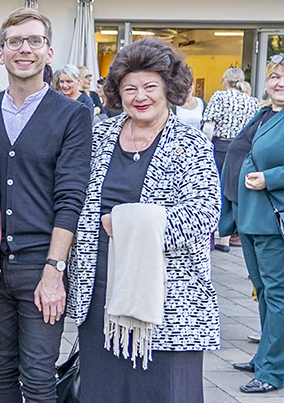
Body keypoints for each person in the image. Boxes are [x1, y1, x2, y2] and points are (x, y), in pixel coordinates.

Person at [67, 38, 221, 403]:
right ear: (118, 92)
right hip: (101, 294)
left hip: (167, 299)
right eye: (130, 87)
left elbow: (202, 214)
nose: (141, 96)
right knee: (102, 392)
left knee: (163, 393)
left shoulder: (191, 143)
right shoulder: (100, 136)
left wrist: (122, 224)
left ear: (169, 87)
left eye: (150, 86)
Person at [0, 8, 92, 402]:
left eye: (34, 41)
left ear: (49, 51)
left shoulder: (72, 114)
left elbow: (71, 197)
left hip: (40, 267)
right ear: (2, 52)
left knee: (39, 378)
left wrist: (55, 271)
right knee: (0, 372)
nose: (25, 49)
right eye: (15, 41)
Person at [221, 54, 284, 394]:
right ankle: (266, 356)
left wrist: (271, 178)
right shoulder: (263, 114)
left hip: (274, 221)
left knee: (277, 295)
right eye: (275, 76)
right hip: (250, 218)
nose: (279, 82)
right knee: (263, 293)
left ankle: (273, 370)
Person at [203, 67, 260, 252]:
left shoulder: (219, 97)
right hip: (244, 150)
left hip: (221, 147)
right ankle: (231, 237)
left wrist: (204, 147)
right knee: (233, 193)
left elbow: (209, 126)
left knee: (215, 190)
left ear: (224, 80)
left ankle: (219, 237)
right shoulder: (252, 102)